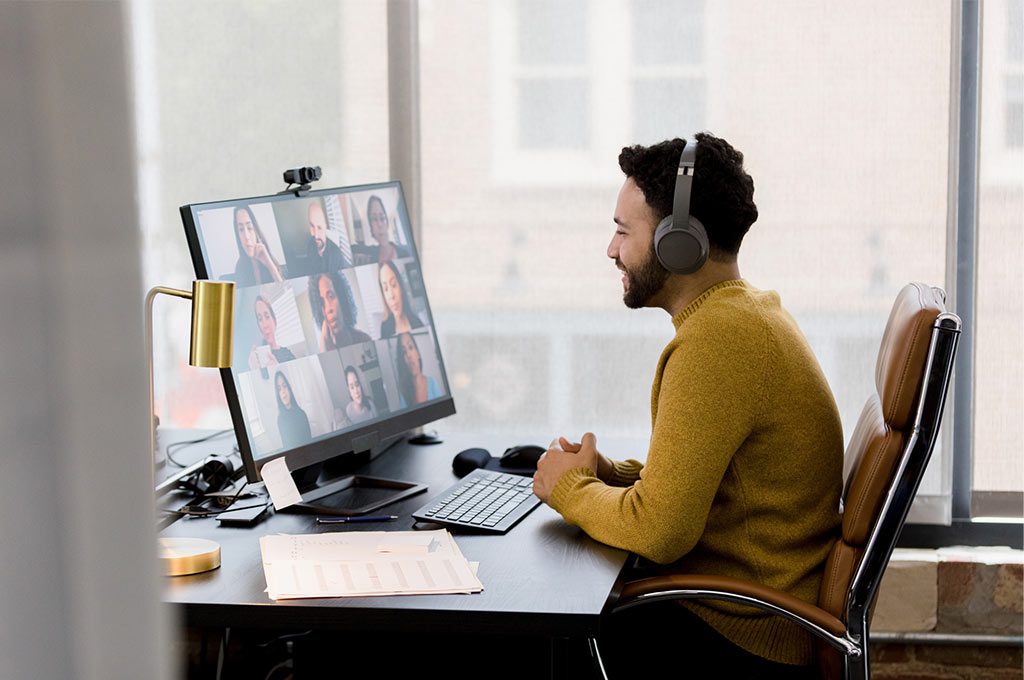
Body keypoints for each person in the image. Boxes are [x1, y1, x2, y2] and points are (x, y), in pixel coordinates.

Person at [531, 134, 843, 679]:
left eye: (624, 232)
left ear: (679, 242)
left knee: (514, 634)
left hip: (741, 637)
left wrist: (570, 490)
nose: (611, 249)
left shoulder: (719, 342)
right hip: (746, 612)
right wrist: (609, 474)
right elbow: (707, 489)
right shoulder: (746, 317)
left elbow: (661, 532)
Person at [308, 271, 371, 351]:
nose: (328, 309)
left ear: (342, 298)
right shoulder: (324, 348)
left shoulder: (364, 339)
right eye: (322, 302)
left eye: (331, 296)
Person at [232, 206, 284, 285]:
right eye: (241, 229)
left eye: (249, 228)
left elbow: (285, 291)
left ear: (256, 231)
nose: (247, 236)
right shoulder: (240, 267)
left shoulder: (270, 259)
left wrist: (269, 265)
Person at [247, 295, 296, 373]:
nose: (265, 325)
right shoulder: (256, 359)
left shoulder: (288, 354)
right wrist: (253, 371)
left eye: (267, 316)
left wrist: (278, 368)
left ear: (274, 321)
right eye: (260, 319)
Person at [394, 332, 440, 408]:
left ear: (418, 353)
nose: (408, 355)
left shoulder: (432, 383)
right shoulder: (404, 394)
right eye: (404, 352)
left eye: (411, 347)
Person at [378, 260, 423, 337]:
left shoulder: (417, 322)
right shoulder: (385, 329)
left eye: (394, 284)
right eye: (385, 288)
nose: (391, 295)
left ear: (401, 287)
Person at [302, 199, 349, 274]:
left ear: (325, 227)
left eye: (319, 227)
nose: (316, 235)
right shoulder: (311, 243)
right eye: (312, 226)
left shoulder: (336, 255)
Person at [365, 195, 410, 263]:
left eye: (382, 218)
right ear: (371, 228)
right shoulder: (371, 259)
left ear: (387, 223)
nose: (379, 224)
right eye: (374, 219)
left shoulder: (406, 253)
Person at [274, 370, 311, 450]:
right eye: (279, 389)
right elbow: (286, 447)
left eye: (284, 386)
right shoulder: (280, 420)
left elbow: (309, 442)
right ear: (278, 394)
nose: (283, 391)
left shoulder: (302, 414)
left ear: (289, 389)